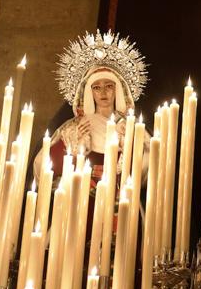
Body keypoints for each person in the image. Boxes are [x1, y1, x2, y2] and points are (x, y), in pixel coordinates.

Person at [34, 29, 148, 185]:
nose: (103, 92)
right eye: (96, 87)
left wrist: (130, 145)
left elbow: (149, 166)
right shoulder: (75, 128)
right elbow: (43, 166)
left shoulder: (129, 128)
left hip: (119, 198)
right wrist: (72, 147)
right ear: (90, 93)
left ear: (117, 90)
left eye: (109, 86)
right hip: (83, 197)